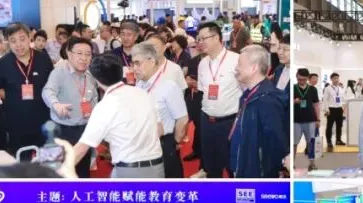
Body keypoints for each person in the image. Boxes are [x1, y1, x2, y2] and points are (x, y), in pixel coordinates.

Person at [70, 53, 164, 178]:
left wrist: (58, 171)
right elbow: (160, 130)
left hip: (128, 170)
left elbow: (82, 148)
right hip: (157, 167)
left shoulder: (105, 105)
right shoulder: (143, 93)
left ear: (95, 79)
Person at [0, 23, 54, 156]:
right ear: (8, 42)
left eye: (22, 39)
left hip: (43, 121)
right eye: (13, 41)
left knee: (45, 161)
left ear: (29, 37)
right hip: (17, 123)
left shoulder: (43, 58)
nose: (18, 45)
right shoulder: (2, 63)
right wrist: (15, 99)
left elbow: (52, 85)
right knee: (21, 162)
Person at [42, 36, 98, 178]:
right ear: (69, 54)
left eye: (88, 54)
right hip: (63, 130)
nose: (84, 58)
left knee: (83, 171)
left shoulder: (90, 75)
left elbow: (94, 99)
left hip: (84, 130)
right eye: (79, 53)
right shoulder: (59, 72)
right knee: (61, 173)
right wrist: (56, 104)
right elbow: (47, 91)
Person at [229, 45, 287, 177]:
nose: (236, 68)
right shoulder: (248, 95)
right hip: (243, 164)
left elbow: (275, 141)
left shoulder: (267, 100)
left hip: (256, 171)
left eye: (240, 64)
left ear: (254, 68)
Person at [134, 41, 189, 178]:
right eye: (132, 63)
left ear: (151, 61)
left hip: (164, 144)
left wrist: (174, 143)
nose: (134, 68)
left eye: (138, 63)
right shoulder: (139, 84)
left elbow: (182, 119)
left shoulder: (168, 86)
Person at [195, 22, 242, 178]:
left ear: (216, 37)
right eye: (198, 39)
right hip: (207, 121)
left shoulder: (236, 60)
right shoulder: (202, 63)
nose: (200, 42)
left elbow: (246, 91)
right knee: (211, 166)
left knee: (233, 166)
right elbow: (202, 91)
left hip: (229, 122)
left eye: (203, 38)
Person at [292, 68, 320, 170]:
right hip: (295, 121)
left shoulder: (313, 89)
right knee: (294, 143)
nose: (301, 81)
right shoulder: (292, 88)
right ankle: (291, 164)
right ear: (296, 76)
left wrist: (318, 119)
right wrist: (294, 101)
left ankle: (312, 163)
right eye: (299, 79)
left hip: (310, 120)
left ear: (307, 78)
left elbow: (316, 105)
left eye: (303, 79)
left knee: (311, 143)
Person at [323, 72, 348, 150]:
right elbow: (325, 100)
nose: (336, 80)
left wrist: (343, 108)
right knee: (329, 126)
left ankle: (338, 140)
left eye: (337, 78)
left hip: (339, 109)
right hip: (331, 109)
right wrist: (326, 110)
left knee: (339, 125)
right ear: (331, 79)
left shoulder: (340, 88)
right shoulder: (328, 88)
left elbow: (342, 99)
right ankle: (329, 141)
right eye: (334, 78)